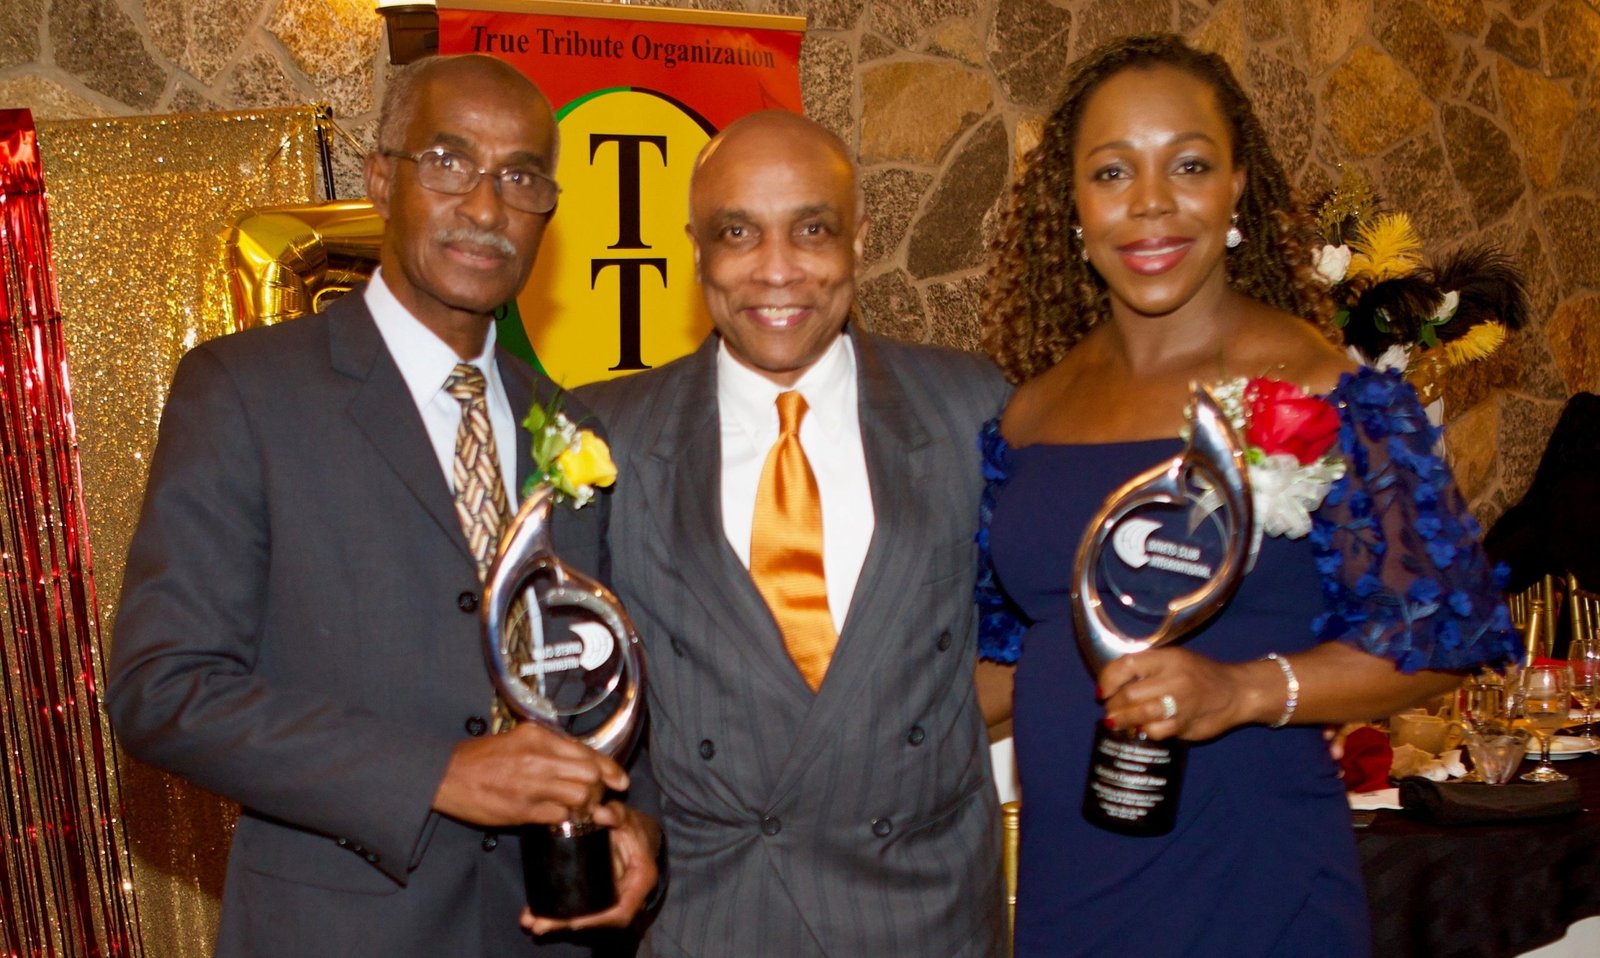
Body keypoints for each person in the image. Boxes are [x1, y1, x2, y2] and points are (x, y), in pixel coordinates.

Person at [977, 34, 1518, 957]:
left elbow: (1442, 640)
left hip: (1254, 893)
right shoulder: (1029, 413)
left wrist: (1243, 689)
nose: (1151, 203)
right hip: (1070, 902)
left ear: (1236, 188)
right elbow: (1004, 664)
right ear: (1072, 203)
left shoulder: (1324, 389)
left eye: (1188, 165)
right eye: (1113, 172)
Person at [106, 55, 656, 958]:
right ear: (378, 179)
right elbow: (163, 687)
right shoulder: (246, 393)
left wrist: (644, 831)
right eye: (447, 162)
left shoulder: (571, 426)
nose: (485, 208)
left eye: (520, 176)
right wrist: (433, 774)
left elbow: (611, 680)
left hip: (551, 928)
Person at [571, 111, 1009, 957]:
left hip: (923, 914)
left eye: (813, 229)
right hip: (711, 916)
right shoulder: (603, 436)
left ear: (859, 240)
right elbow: (577, 686)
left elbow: (1043, 629)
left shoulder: (970, 407)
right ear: (695, 250)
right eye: (739, 233)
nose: (777, 270)